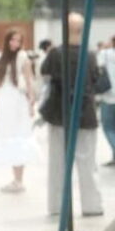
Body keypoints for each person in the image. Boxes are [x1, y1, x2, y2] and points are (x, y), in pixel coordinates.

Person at [41, 13, 104, 216]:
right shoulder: (90, 55)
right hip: (85, 114)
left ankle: (57, 206)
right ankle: (91, 205)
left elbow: (45, 77)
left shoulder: (55, 54)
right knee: (88, 163)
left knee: (58, 163)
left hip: (59, 114)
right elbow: (96, 81)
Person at [0, 30, 38, 193]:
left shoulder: (23, 58)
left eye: (18, 40)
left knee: (19, 137)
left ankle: (19, 179)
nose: (15, 43)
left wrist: (31, 103)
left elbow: (29, 82)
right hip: (3, 102)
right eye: (12, 40)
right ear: (7, 40)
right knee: (8, 138)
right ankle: (16, 178)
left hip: (18, 102)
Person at [98, 37, 115, 166]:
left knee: (108, 127)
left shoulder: (105, 53)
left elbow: (98, 66)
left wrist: (104, 47)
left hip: (109, 96)